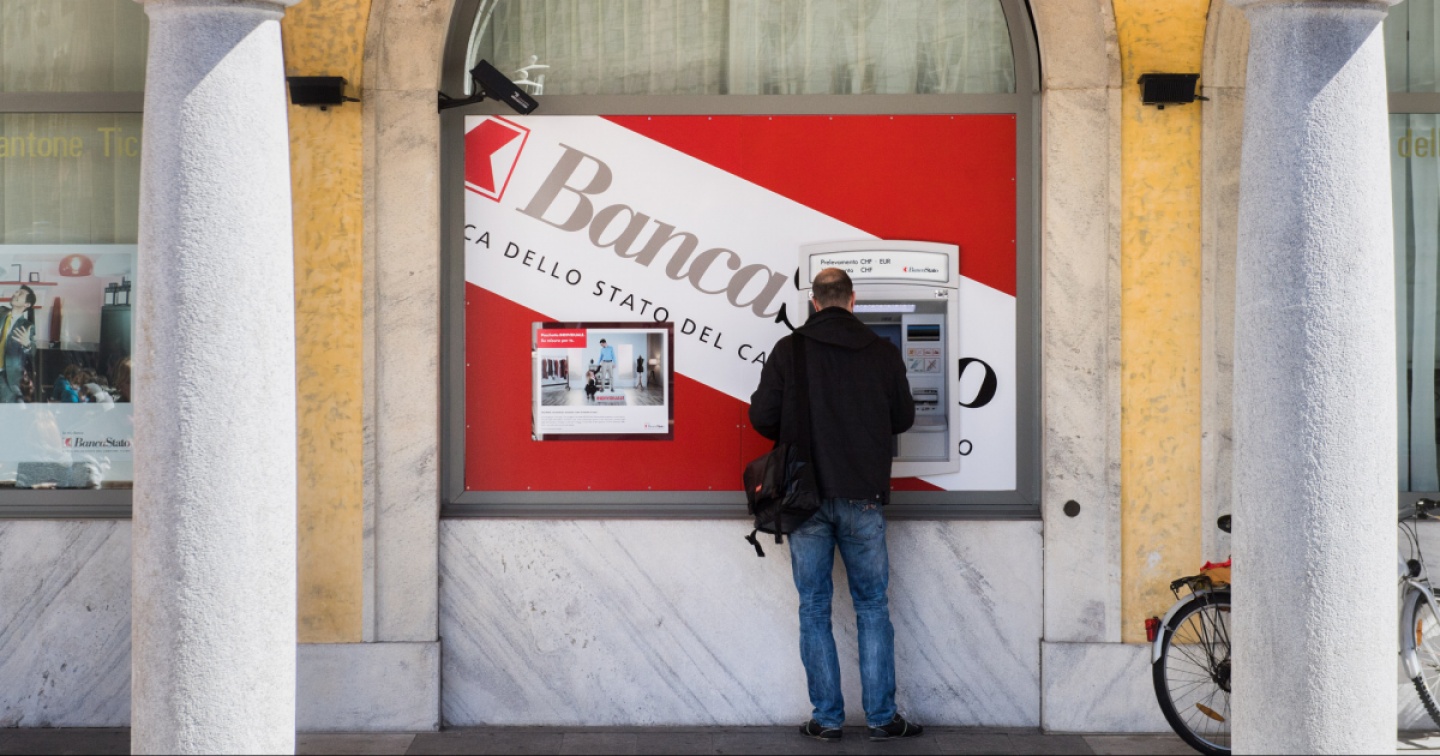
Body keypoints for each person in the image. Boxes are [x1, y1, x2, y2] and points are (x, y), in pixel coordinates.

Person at [748, 267, 920, 743]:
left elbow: (761, 416)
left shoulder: (790, 350)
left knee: (814, 607)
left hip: (806, 497)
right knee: (872, 606)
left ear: (815, 302)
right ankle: (882, 718)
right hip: (864, 496)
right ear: (852, 300)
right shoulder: (882, 351)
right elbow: (903, 417)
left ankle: (827, 719)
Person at [0, 285, 37, 404]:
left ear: (27, 304)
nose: (15, 294)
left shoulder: (27, 326)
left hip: (7, 376)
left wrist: (27, 344)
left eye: (20, 293)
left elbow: (33, 351)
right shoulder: (1, 311)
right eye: (16, 292)